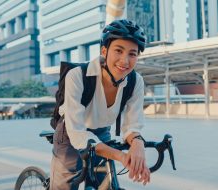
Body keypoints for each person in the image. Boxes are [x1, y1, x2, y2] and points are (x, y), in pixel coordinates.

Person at [50, 19, 150, 190]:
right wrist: (121, 156)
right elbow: (77, 133)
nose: (125, 61)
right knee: (65, 185)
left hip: (101, 131)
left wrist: (138, 144)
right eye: (118, 50)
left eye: (132, 54)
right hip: (70, 132)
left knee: (104, 184)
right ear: (104, 50)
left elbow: (132, 125)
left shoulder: (135, 81)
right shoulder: (77, 76)